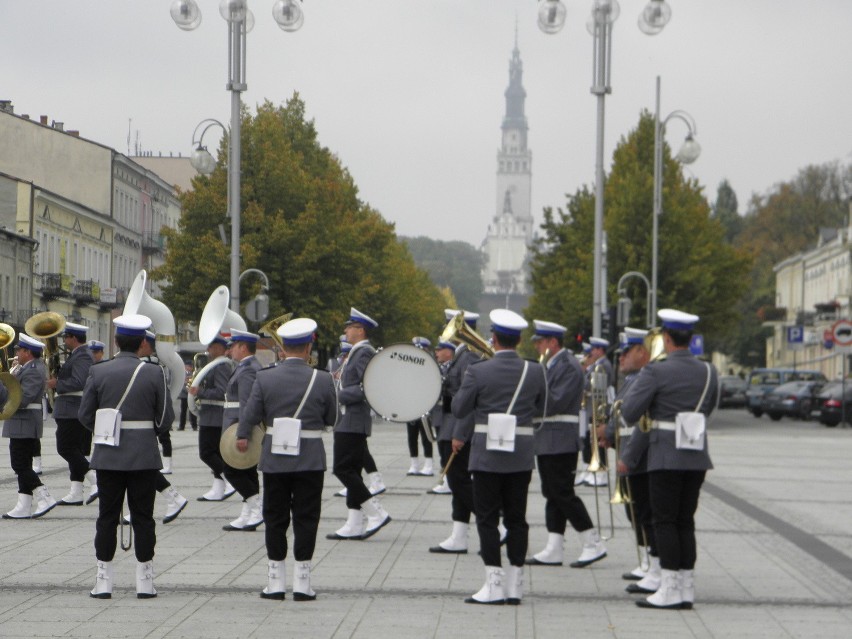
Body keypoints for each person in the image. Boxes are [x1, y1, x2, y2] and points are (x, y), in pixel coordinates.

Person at [620, 309, 718, 610]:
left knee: (664, 521)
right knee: (685, 521)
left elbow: (629, 413)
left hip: (665, 454)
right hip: (696, 453)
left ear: (665, 337)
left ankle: (669, 587)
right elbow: (710, 407)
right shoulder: (709, 370)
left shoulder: (655, 371)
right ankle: (686, 587)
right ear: (691, 339)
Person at [452, 309, 547, 605]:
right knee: (517, 518)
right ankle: (516, 583)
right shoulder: (535, 370)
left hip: (487, 454)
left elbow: (459, 409)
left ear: (493, 337)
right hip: (520, 454)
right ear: (519, 340)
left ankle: (494, 582)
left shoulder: (478, 370)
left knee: (488, 518)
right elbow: (542, 411)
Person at [241, 318, 337, 600]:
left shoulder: (265, 377)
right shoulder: (322, 378)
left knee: (275, 516)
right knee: (307, 518)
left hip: (275, 457)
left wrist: (242, 436)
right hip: (309, 457)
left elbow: (250, 414)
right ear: (309, 347)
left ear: (282, 348)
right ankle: (303, 582)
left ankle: (276, 581)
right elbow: (332, 418)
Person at [79, 314, 174, 599]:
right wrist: (147, 434)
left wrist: (108, 430)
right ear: (143, 342)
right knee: (144, 517)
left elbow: (84, 415)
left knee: (107, 516)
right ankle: (145, 581)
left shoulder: (99, 371)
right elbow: (166, 417)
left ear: (116, 341)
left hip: (108, 455)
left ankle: (104, 580)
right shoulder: (154, 372)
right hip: (144, 455)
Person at [526, 320, 606, 569]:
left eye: (540, 341)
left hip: (559, 436)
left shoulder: (568, 365)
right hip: (549, 436)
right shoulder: (551, 364)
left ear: (552, 342)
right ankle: (554, 546)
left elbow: (556, 400)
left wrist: (526, 401)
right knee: (552, 492)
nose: (538, 346)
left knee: (562, 492)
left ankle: (592, 540)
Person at [327, 307, 391, 541]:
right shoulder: (355, 352)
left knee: (342, 469)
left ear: (360, 330)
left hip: (353, 419)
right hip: (348, 418)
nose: (345, 330)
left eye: (349, 327)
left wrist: (339, 394)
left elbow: (368, 386)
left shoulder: (364, 353)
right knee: (352, 470)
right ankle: (354, 523)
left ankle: (376, 512)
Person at [602, 328, 656, 586]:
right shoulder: (631, 381)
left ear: (642, 353)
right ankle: (646, 559)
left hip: (639, 454)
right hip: (627, 450)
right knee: (634, 510)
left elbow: (632, 418)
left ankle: (651, 562)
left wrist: (611, 432)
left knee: (643, 509)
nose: (621, 359)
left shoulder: (643, 379)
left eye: (626, 353)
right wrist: (609, 434)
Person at [429, 309, 481, 552]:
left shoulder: (468, 358)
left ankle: (494, 523)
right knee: (457, 482)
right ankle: (459, 536)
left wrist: (460, 434)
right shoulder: (462, 357)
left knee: (459, 481)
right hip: (451, 424)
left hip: (457, 427)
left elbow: (468, 399)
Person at [134, 332, 188, 524]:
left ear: (146, 345)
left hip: (143, 422)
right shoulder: (152, 363)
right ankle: (172, 497)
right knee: (139, 468)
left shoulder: (151, 365)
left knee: (139, 468)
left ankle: (172, 497)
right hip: (143, 422)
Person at [2, 334, 58, 519]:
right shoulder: (25, 368)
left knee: (19, 464)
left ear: (27, 352)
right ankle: (24, 505)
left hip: (24, 422)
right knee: (23, 464)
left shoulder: (34, 369)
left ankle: (44, 495)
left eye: (20, 350)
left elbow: (22, 398)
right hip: (21, 422)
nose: (17, 353)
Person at [49, 321, 98, 506]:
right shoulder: (77, 355)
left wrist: (57, 384)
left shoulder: (83, 356)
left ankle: (94, 479)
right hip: (70, 407)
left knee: (65, 448)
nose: (63, 340)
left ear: (74, 338)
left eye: (65, 337)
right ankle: (76, 492)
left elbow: (79, 382)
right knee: (76, 450)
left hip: (72, 408)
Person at [221, 329, 264, 531]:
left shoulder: (247, 370)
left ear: (243, 347)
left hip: (239, 424)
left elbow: (248, 404)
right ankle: (249, 513)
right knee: (246, 471)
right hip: (237, 423)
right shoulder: (246, 367)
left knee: (231, 469)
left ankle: (257, 507)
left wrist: (243, 433)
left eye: (233, 346)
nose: (230, 350)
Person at [190, 335, 236, 501]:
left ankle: (230, 480)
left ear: (221, 348)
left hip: (215, 415)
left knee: (207, 453)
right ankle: (218, 488)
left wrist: (199, 392)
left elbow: (222, 392)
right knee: (215, 452)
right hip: (210, 414)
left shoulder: (221, 366)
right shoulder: (214, 365)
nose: (208, 349)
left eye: (212, 346)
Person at [576, 336, 612, 488]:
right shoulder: (596, 365)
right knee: (587, 440)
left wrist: (584, 373)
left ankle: (601, 473)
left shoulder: (603, 365)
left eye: (594, 349)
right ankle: (591, 469)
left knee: (597, 441)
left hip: (596, 408)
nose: (592, 352)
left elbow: (595, 387)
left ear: (601, 350)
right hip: (589, 407)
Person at [427, 339, 455, 495]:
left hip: (447, 414)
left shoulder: (451, 368)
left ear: (449, 352)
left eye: (440, 350)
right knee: (441, 447)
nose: (436, 353)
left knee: (446, 449)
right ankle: (445, 479)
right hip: (438, 414)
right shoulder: (439, 368)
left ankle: (447, 481)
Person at [405, 336, 435, 477]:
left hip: (425, 406)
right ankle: (414, 464)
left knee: (426, 436)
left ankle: (429, 464)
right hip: (411, 404)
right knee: (412, 436)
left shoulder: (431, 366)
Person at [177, 363, 192, 431]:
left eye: (191, 366)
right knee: (183, 411)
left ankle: (194, 425)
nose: (190, 368)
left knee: (192, 410)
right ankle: (181, 426)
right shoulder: (182, 374)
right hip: (184, 395)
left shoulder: (192, 374)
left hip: (191, 395)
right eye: (189, 366)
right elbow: (181, 383)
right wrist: (188, 391)